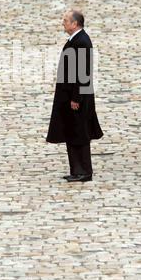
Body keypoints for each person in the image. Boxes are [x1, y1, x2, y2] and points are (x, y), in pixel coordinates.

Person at [46, 10, 103, 182]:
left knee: (80, 133)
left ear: (75, 24)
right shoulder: (75, 40)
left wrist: (76, 98)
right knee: (72, 132)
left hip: (78, 97)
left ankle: (84, 171)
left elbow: (83, 73)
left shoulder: (82, 42)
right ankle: (76, 170)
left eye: (65, 20)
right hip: (69, 95)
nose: (62, 22)